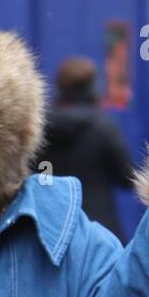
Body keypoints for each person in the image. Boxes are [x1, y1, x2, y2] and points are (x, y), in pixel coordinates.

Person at [41, 55, 136, 240]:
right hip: (100, 229)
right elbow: (127, 178)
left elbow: (39, 176)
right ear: (92, 86)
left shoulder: (42, 128)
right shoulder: (104, 126)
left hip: (54, 227)